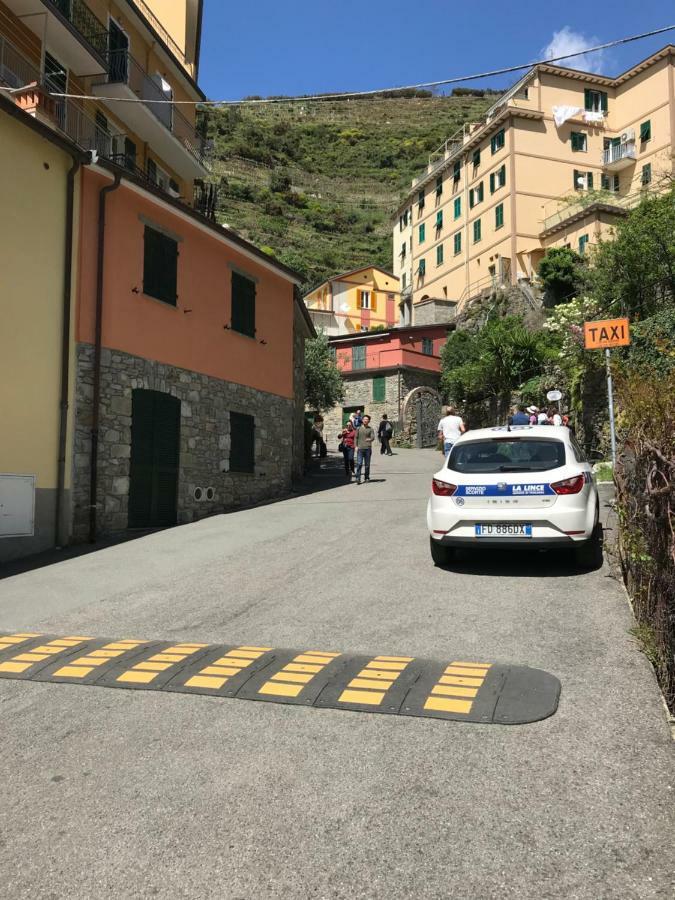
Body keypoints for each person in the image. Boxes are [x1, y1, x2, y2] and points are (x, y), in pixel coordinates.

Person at [354, 414, 375, 483]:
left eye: (367, 419)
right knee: (359, 464)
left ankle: (366, 477)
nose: (366, 420)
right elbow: (356, 438)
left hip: (368, 449)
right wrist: (356, 446)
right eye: (364, 419)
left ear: (369, 421)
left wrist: (369, 439)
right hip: (360, 449)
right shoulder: (358, 428)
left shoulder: (370, 429)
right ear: (362, 420)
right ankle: (358, 478)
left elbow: (373, 437)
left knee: (367, 465)